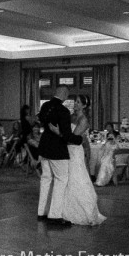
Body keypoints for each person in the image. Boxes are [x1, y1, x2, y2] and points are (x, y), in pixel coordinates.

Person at [49, 94, 106, 225]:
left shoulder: (83, 120)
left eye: (78, 102)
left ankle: (83, 212)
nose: (75, 104)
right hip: (66, 150)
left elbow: (71, 139)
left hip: (74, 152)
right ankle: (62, 211)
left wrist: (57, 132)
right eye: (75, 102)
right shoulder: (72, 116)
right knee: (66, 179)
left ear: (84, 105)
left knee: (77, 178)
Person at [36, 87, 84, 226]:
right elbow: (66, 135)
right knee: (61, 179)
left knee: (46, 179)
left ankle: (42, 212)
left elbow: (41, 120)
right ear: (64, 95)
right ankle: (55, 215)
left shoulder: (45, 106)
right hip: (57, 149)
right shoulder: (63, 111)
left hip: (44, 147)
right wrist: (79, 140)